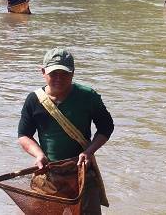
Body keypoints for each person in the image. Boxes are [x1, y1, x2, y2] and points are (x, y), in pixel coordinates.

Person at [17, 48, 114, 214]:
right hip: (48, 173)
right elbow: (24, 135)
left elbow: (106, 127)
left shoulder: (88, 96)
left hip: (82, 171)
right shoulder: (34, 100)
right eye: (54, 73)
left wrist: (89, 152)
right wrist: (39, 155)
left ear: (73, 73)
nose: (59, 79)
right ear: (43, 72)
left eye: (64, 74)